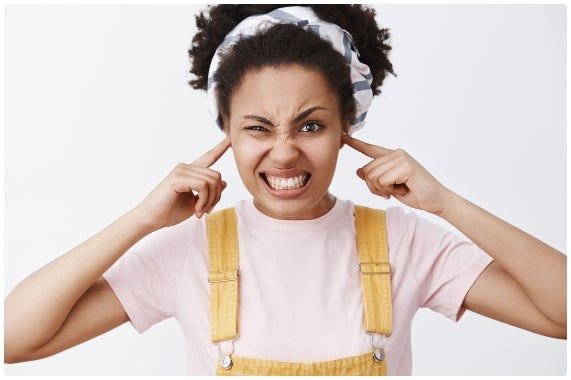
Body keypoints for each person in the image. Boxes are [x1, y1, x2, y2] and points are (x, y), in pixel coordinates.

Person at [4, 4, 566, 376]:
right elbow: (16, 338)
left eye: (311, 125)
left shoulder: (405, 241)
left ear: (347, 127)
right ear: (225, 131)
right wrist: (141, 220)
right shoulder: (189, 249)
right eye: (257, 128)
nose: (284, 152)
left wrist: (446, 203)